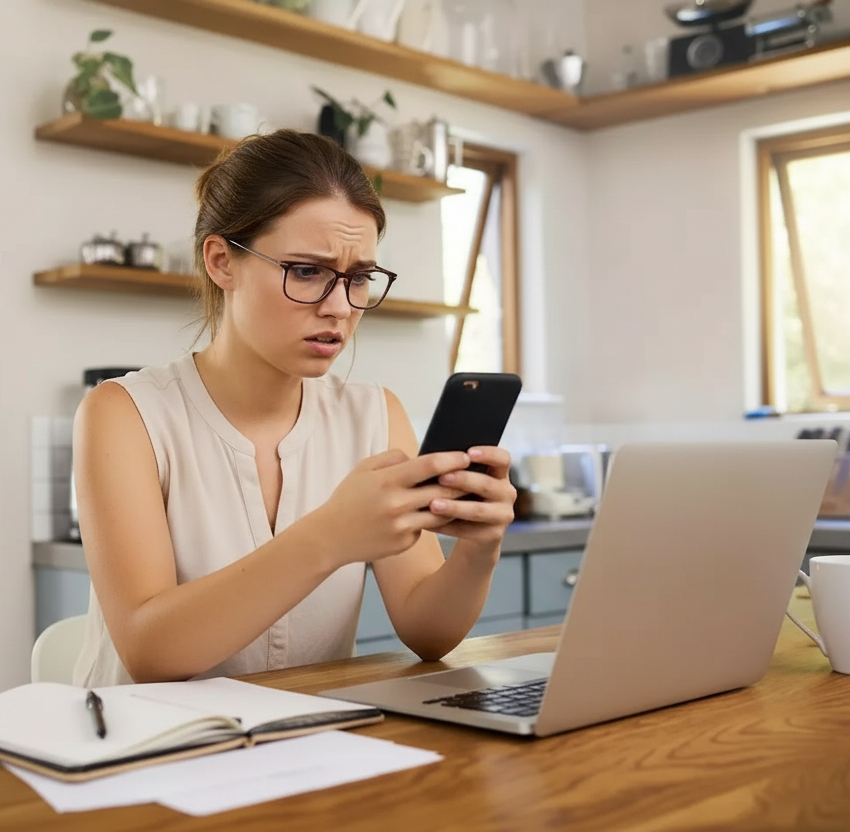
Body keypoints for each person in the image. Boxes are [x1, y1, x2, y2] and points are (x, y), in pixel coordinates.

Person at [71, 129, 516, 686]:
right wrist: (330, 536)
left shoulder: (375, 416)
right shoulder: (123, 413)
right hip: (144, 752)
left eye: (359, 279)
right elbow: (150, 651)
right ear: (221, 261)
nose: (340, 308)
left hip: (307, 746)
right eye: (307, 271)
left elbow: (427, 630)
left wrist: (480, 551)